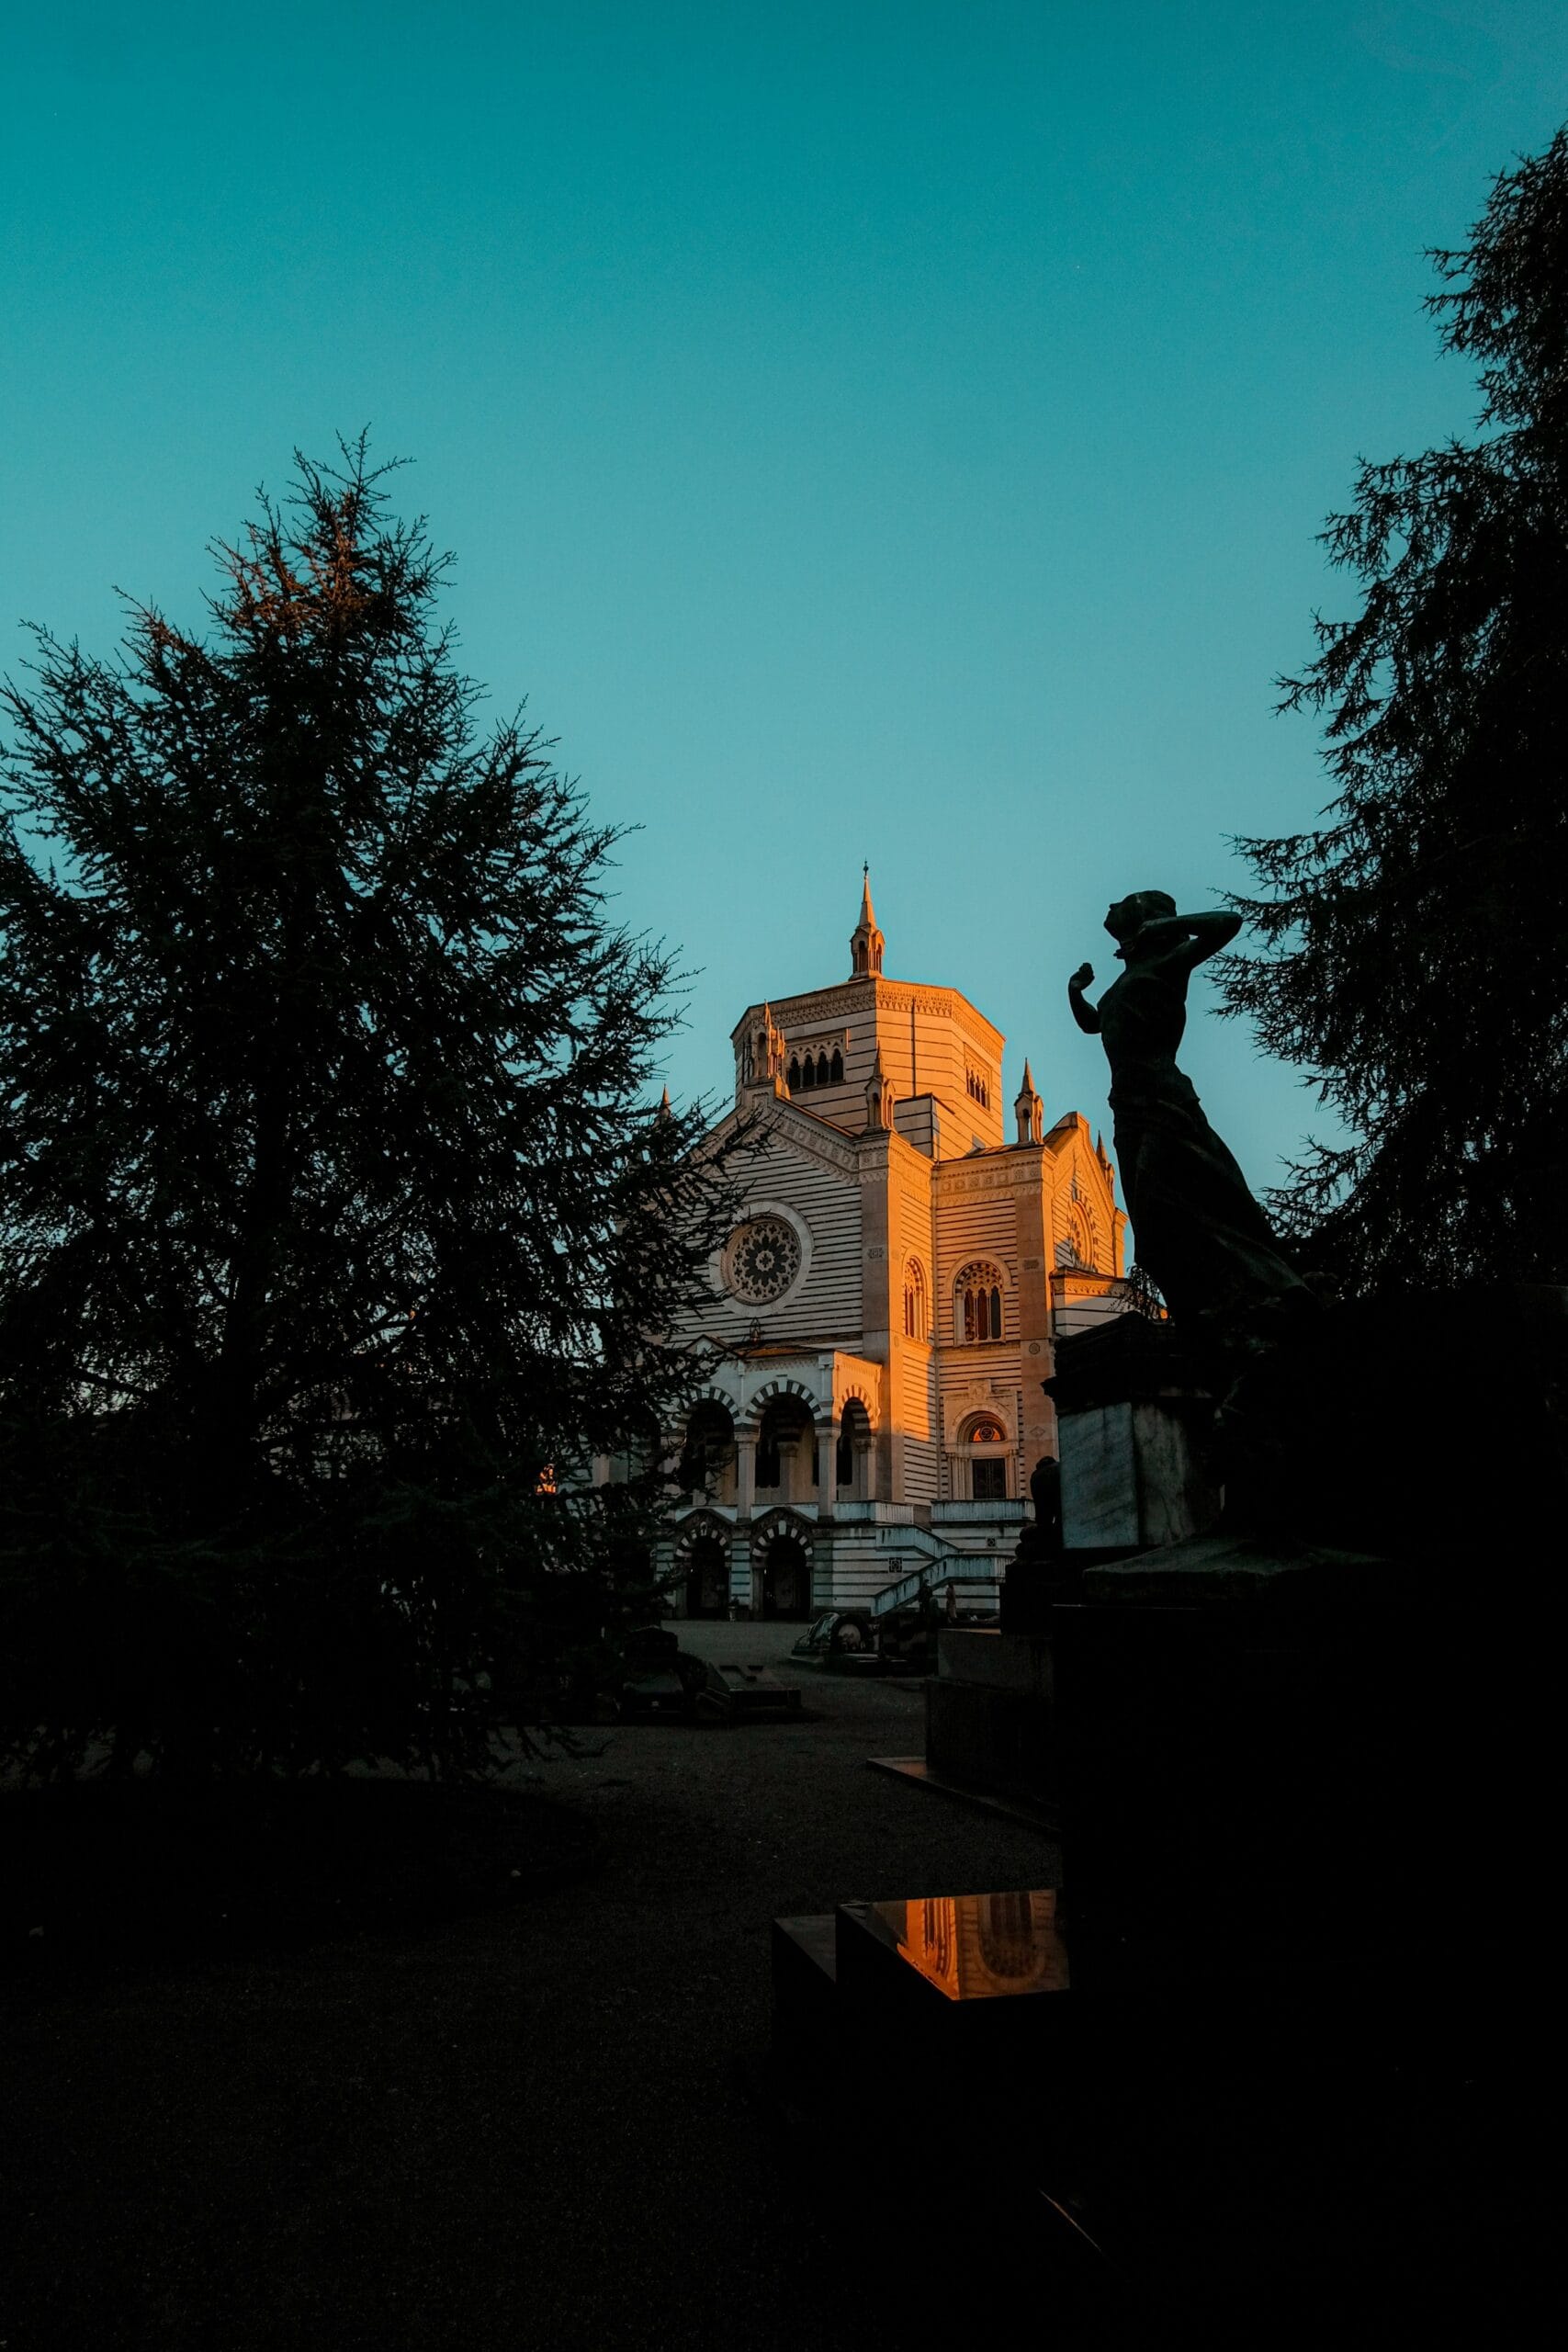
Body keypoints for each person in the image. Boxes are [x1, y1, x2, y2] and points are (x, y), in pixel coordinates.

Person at [1068, 893, 1314, 1329]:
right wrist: (1074, 993)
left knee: (1183, 1200)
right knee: (1148, 1230)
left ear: (1146, 924)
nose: (1110, 906)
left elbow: (1227, 923)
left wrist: (1164, 929)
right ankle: (1199, 1312)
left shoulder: (1168, 964)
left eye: (1124, 907)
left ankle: (1271, 1286)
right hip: (1126, 1110)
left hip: (1163, 1101)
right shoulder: (1120, 987)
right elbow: (1093, 1023)